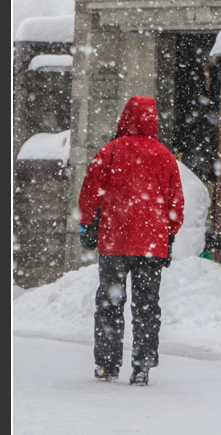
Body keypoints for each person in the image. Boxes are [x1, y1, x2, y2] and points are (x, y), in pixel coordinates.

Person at [78, 95, 184, 386]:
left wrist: (86, 223)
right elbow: (176, 202)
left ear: (124, 118)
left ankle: (108, 364)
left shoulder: (110, 151)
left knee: (111, 302)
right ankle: (142, 365)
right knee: (147, 305)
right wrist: (170, 234)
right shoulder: (165, 156)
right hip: (151, 244)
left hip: (115, 242)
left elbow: (90, 193)